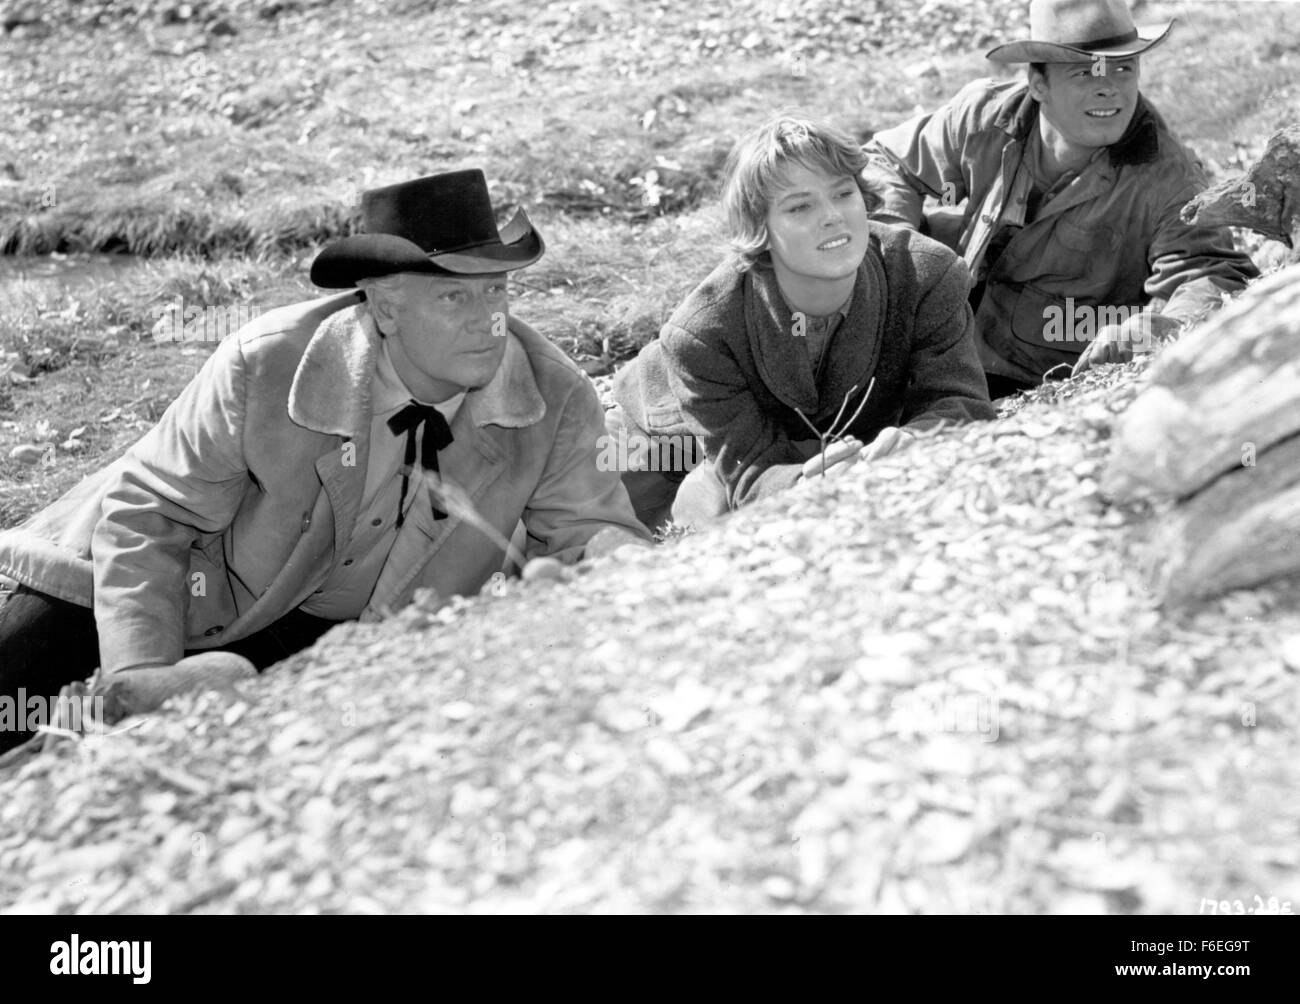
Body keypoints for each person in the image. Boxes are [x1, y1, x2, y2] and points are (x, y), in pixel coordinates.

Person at [0, 169, 649, 751]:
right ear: (386, 306)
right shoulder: (268, 361)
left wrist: (614, 570)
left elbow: (592, 525)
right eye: (455, 298)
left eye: (496, 291)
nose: (490, 321)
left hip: (331, 638)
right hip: (149, 585)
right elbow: (152, 512)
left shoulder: (553, 392)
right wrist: (144, 671)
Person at [605, 115, 996, 532]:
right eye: (800, 206)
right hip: (661, 438)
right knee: (595, 540)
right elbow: (749, 471)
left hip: (804, 443)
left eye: (843, 193)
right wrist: (805, 482)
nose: (832, 217)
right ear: (761, 230)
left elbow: (962, 403)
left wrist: (916, 442)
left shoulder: (926, 274)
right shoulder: (702, 333)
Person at [861, 0, 1258, 397]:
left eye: (1124, 68)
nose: (1109, 88)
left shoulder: (1167, 174)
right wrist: (900, 256)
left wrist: (1159, 325)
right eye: (1086, 72)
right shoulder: (986, 116)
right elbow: (886, 163)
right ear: (1038, 85)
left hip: (1036, 378)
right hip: (940, 351)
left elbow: (1209, 272)